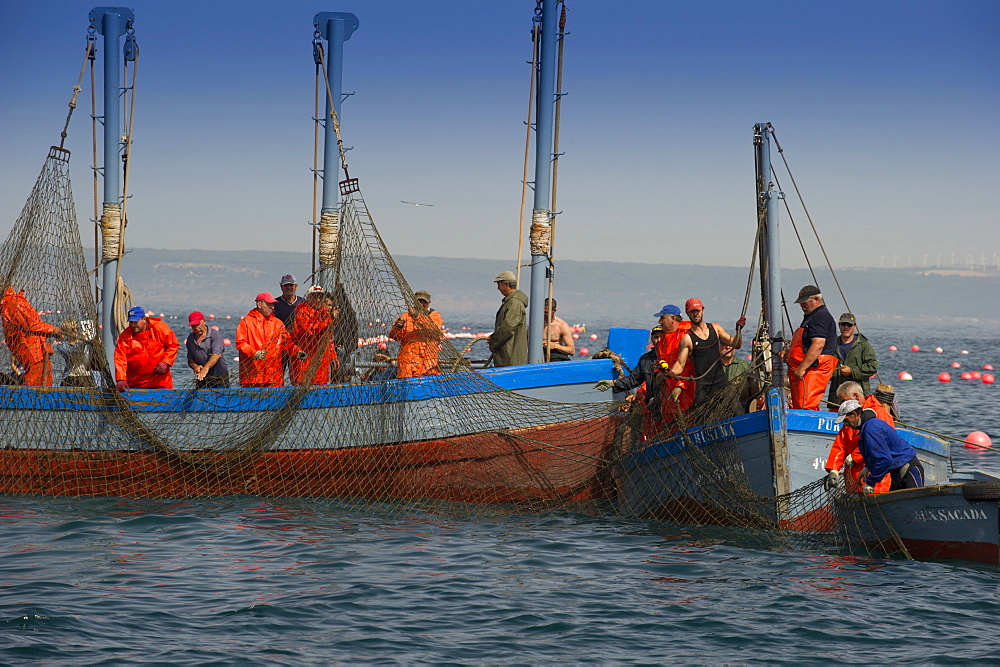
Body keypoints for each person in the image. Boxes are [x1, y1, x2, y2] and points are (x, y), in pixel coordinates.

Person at [835, 399, 924, 493]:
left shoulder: (872, 429)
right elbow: (875, 453)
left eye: (846, 420)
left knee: (916, 503)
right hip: (897, 471)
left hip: (908, 469)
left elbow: (884, 460)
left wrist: (870, 482)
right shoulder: (866, 427)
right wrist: (868, 467)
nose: (845, 424)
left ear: (854, 414)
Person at [823, 380, 893, 493]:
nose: (842, 405)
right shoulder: (849, 415)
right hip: (852, 477)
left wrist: (855, 457)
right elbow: (840, 444)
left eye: (844, 400)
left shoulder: (879, 413)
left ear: (856, 396)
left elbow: (880, 444)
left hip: (874, 476)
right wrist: (834, 470)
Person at [684, 297, 746, 405]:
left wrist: (738, 330)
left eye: (697, 311)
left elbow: (737, 344)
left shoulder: (715, 328)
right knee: (699, 420)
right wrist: (670, 372)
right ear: (687, 313)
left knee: (739, 413)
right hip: (703, 387)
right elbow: (679, 364)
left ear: (703, 310)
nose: (695, 314)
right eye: (692, 312)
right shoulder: (687, 338)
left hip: (721, 383)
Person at [786, 285, 837, 410]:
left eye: (804, 302)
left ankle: (805, 426)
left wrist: (802, 368)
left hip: (814, 369)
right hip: (804, 370)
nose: (802, 305)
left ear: (816, 299)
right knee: (800, 404)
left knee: (806, 404)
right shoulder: (811, 317)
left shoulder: (821, 316)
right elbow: (805, 344)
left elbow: (818, 344)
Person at [236, 292, 301, 388]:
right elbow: (240, 343)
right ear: (259, 304)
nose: (272, 307)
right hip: (252, 377)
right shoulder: (246, 322)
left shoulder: (278, 323)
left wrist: (297, 352)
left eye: (273, 305)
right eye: (269, 304)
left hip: (274, 377)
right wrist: (254, 353)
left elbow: (287, 343)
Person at [0, 286, 62, 386]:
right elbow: (31, 324)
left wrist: (51, 331)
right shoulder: (12, 303)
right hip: (33, 351)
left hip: (36, 349)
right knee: (35, 382)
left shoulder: (10, 302)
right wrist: (53, 330)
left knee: (45, 380)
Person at [114, 305, 179, 390]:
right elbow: (120, 358)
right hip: (135, 383)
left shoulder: (159, 328)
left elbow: (173, 345)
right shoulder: (125, 336)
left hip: (160, 382)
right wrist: (121, 379)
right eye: (131, 322)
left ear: (144, 319)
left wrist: (165, 362)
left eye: (136, 322)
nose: (133, 325)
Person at [826, 312, 878, 410]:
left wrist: (852, 371)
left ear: (854, 326)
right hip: (837, 397)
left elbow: (873, 366)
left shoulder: (863, 345)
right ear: (839, 326)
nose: (846, 327)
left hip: (858, 396)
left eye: (849, 325)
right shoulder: (832, 344)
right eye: (843, 324)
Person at [596, 325, 662, 400]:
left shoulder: (674, 358)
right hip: (654, 404)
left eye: (662, 337)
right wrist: (613, 383)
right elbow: (634, 380)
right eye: (656, 337)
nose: (659, 340)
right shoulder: (645, 360)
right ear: (652, 339)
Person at [388, 290, 444, 378]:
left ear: (429, 303)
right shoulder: (405, 317)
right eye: (419, 301)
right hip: (407, 366)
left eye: (424, 302)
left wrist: (416, 316)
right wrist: (398, 327)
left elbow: (433, 328)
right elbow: (394, 336)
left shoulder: (435, 316)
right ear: (414, 302)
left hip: (428, 366)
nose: (421, 304)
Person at [290, 286, 339, 385]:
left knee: (320, 389)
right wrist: (330, 320)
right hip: (305, 361)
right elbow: (309, 330)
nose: (318, 299)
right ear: (308, 298)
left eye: (320, 297)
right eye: (314, 296)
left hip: (321, 362)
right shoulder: (301, 312)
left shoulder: (325, 314)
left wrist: (333, 356)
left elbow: (328, 338)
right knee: (302, 389)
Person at [653, 304, 695, 416]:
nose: (659, 321)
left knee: (688, 421)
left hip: (688, 392)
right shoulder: (663, 340)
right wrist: (658, 374)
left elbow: (691, 366)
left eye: (662, 318)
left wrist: (680, 386)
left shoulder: (687, 335)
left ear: (673, 319)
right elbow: (660, 361)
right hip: (668, 393)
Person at [488, 271, 527, 367]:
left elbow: (509, 327)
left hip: (510, 357)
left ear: (506, 284)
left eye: (499, 285)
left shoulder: (514, 303)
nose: (498, 288)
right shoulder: (512, 302)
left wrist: (494, 343)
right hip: (507, 355)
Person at [185, 311, 229, 388]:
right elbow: (190, 360)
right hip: (202, 377)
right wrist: (195, 366)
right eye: (193, 326)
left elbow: (216, 354)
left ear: (204, 321)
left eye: (198, 325)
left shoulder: (215, 335)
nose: (196, 328)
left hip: (219, 376)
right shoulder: (191, 338)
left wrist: (206, 368)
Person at [55, 319, 95, 387]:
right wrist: (83, 342)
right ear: (66, 332)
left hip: (86, 376)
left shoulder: (84, 342)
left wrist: (93, 340)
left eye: (77, 328)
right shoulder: (62, 346)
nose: (76, 331)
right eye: (73, 330)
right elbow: (71, 351)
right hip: (71, 377)